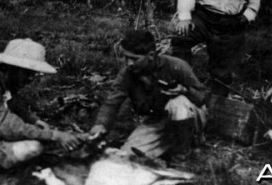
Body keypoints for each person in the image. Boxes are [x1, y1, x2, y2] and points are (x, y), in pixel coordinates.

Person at [89, 30, 208, 165]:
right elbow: (112, 102)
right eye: (126, 57)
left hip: (190, 118)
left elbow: (202, 97)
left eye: (134, 59)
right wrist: (101, 125)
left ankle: (182, 154)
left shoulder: (176, 66)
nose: (128, 63)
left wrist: (184, 90)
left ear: (151, 55)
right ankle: (170, 144)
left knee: (177, 103)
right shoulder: (127, 74)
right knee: (127, 155)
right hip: (158, 121)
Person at [0, 38, 81, 171]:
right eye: (27, 72)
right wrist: (54, 135)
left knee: (37, 141)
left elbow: (13, 105)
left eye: (33, 73)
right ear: (10, 68)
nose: (31, 78)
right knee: (33, 148)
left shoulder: (4, 82)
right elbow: (7, 126)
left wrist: (34, 120)